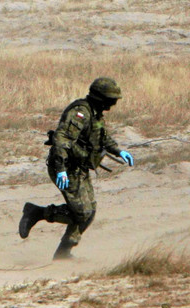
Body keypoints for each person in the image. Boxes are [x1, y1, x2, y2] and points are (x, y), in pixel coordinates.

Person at [17, 77, 135, 260]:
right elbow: (61, 140)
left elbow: (101, 138)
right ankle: (37, 213)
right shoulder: (80, 113)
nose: (112, 105)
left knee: (89, 212)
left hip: (79, 168)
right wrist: (61, 168)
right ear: (100, 98)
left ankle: (64, 253)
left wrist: (119, 151)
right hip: (66, 168)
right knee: (82, 212)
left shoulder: (95, 113)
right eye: (111, 100)